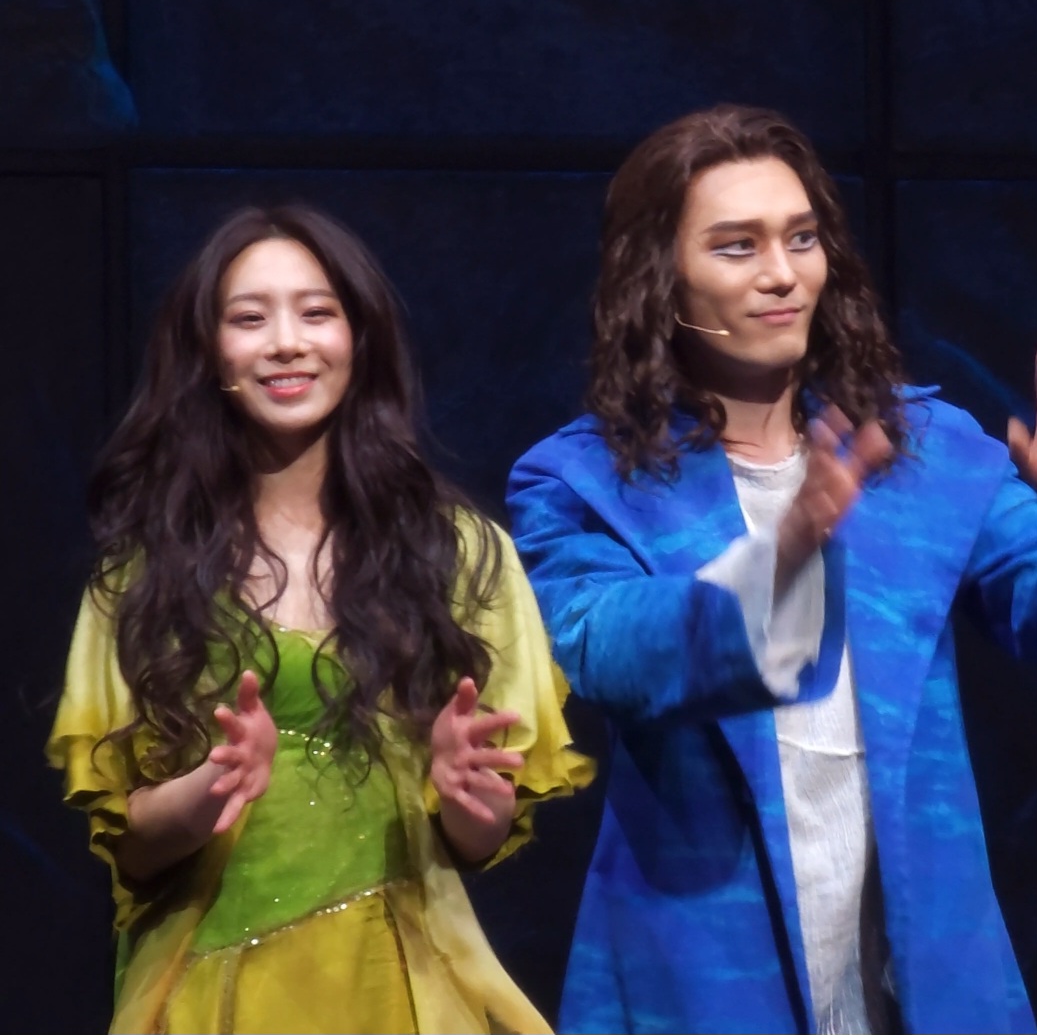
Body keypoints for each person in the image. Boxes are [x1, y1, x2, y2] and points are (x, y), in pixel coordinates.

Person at [506, 103, 1037, 1035]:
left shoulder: (921, 447)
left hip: (922, 969)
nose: (782, 273)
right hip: (702, 972)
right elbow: (607, 653)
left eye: (800, 237)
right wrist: (783, 553)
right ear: (660, 278)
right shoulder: (581, 479)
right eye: (736, 246)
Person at [48, 204, 592, 1035]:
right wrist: (213, 785)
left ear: (360, 337)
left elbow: (479, 839)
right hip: (212, 989)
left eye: (315, 312)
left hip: (399, 979)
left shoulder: (458, 552)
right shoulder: (141, 575)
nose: (286, 343)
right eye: (249, 318)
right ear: (208, 351)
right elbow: (131, 844)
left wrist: (466, 790)